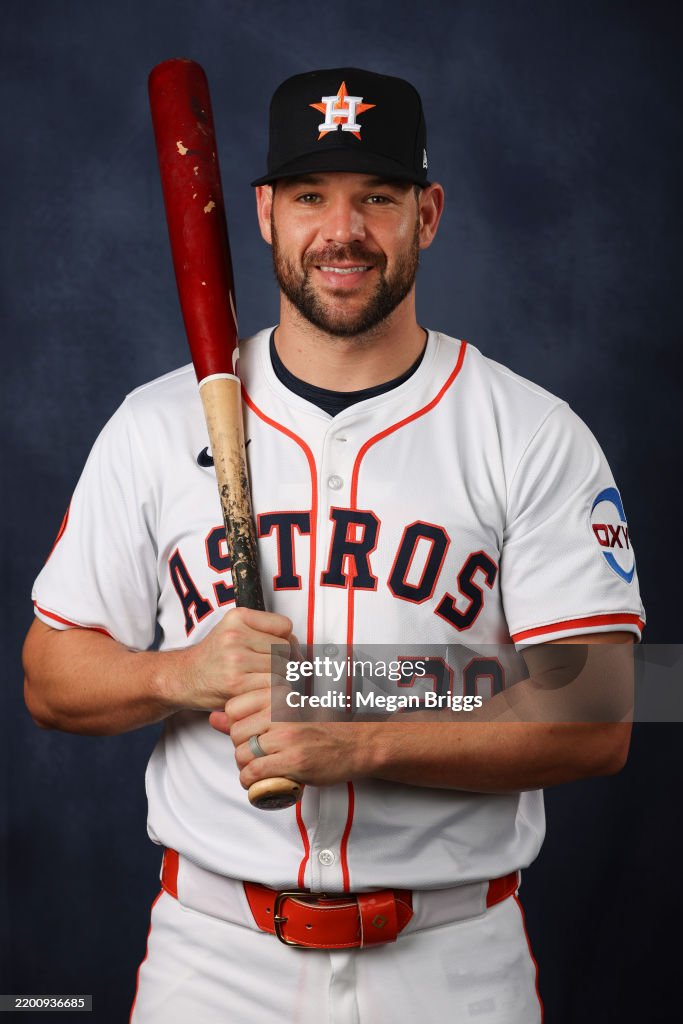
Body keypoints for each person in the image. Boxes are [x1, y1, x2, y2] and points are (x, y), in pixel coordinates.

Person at [23, 68, 644, 1023]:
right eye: (311, 197)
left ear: (425, 214)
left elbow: (602, 708)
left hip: (452, 961)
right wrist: (180, 676)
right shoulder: (152, 424)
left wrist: (349, 717)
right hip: (214, 957)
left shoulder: (528, 430)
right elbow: (49, 678)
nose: (343, 231)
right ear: (265, 214)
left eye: (377, 199)